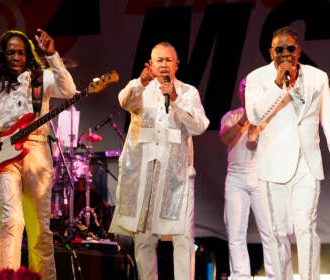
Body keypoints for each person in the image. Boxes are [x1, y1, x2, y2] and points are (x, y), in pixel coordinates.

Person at [0, 29, 76, 279]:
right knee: (10, 222)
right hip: (3, 157)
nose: (16, 57)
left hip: (37, 152)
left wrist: (52, 55)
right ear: (2, 55)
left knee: (40, 228)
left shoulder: (41, 79)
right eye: (10, 52)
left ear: (28, 54)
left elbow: (69, 91)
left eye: (21, 52)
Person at [109, 41, 209, 280]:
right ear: (150, 64)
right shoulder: (140, 89)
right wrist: (141, 82)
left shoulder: (188, 92)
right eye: (159, 60)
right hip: (143, 173)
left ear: (176, 64)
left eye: (168, 60)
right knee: (144, 238)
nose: (164, 65)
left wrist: (174, 98)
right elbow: (124, 101)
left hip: (175, 176)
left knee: (183, 237)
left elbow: (200, 126)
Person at [245, 26, 330, 279]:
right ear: (271, 51)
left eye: (289, 48)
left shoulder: (318, 77)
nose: (285, 53)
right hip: (273, 167)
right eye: (279, 49)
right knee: (277, 233)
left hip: (307, 164)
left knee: (306, 228)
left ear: (298, 50)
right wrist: (277, 85)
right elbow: (255, 115)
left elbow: (328, 119)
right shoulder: (257, 79)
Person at [219, 77, 274, 279]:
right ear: (240, 94)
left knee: (269, 233)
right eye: (245, 90)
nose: (248, 94)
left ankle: (275, 275)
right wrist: (244, 121)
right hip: (235, 178)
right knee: (235, 233)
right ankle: (240, 275)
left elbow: (258, 141)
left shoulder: (267, 116)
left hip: (260, 175)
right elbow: (225, 137)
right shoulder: (231, 116)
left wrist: (257, 120)